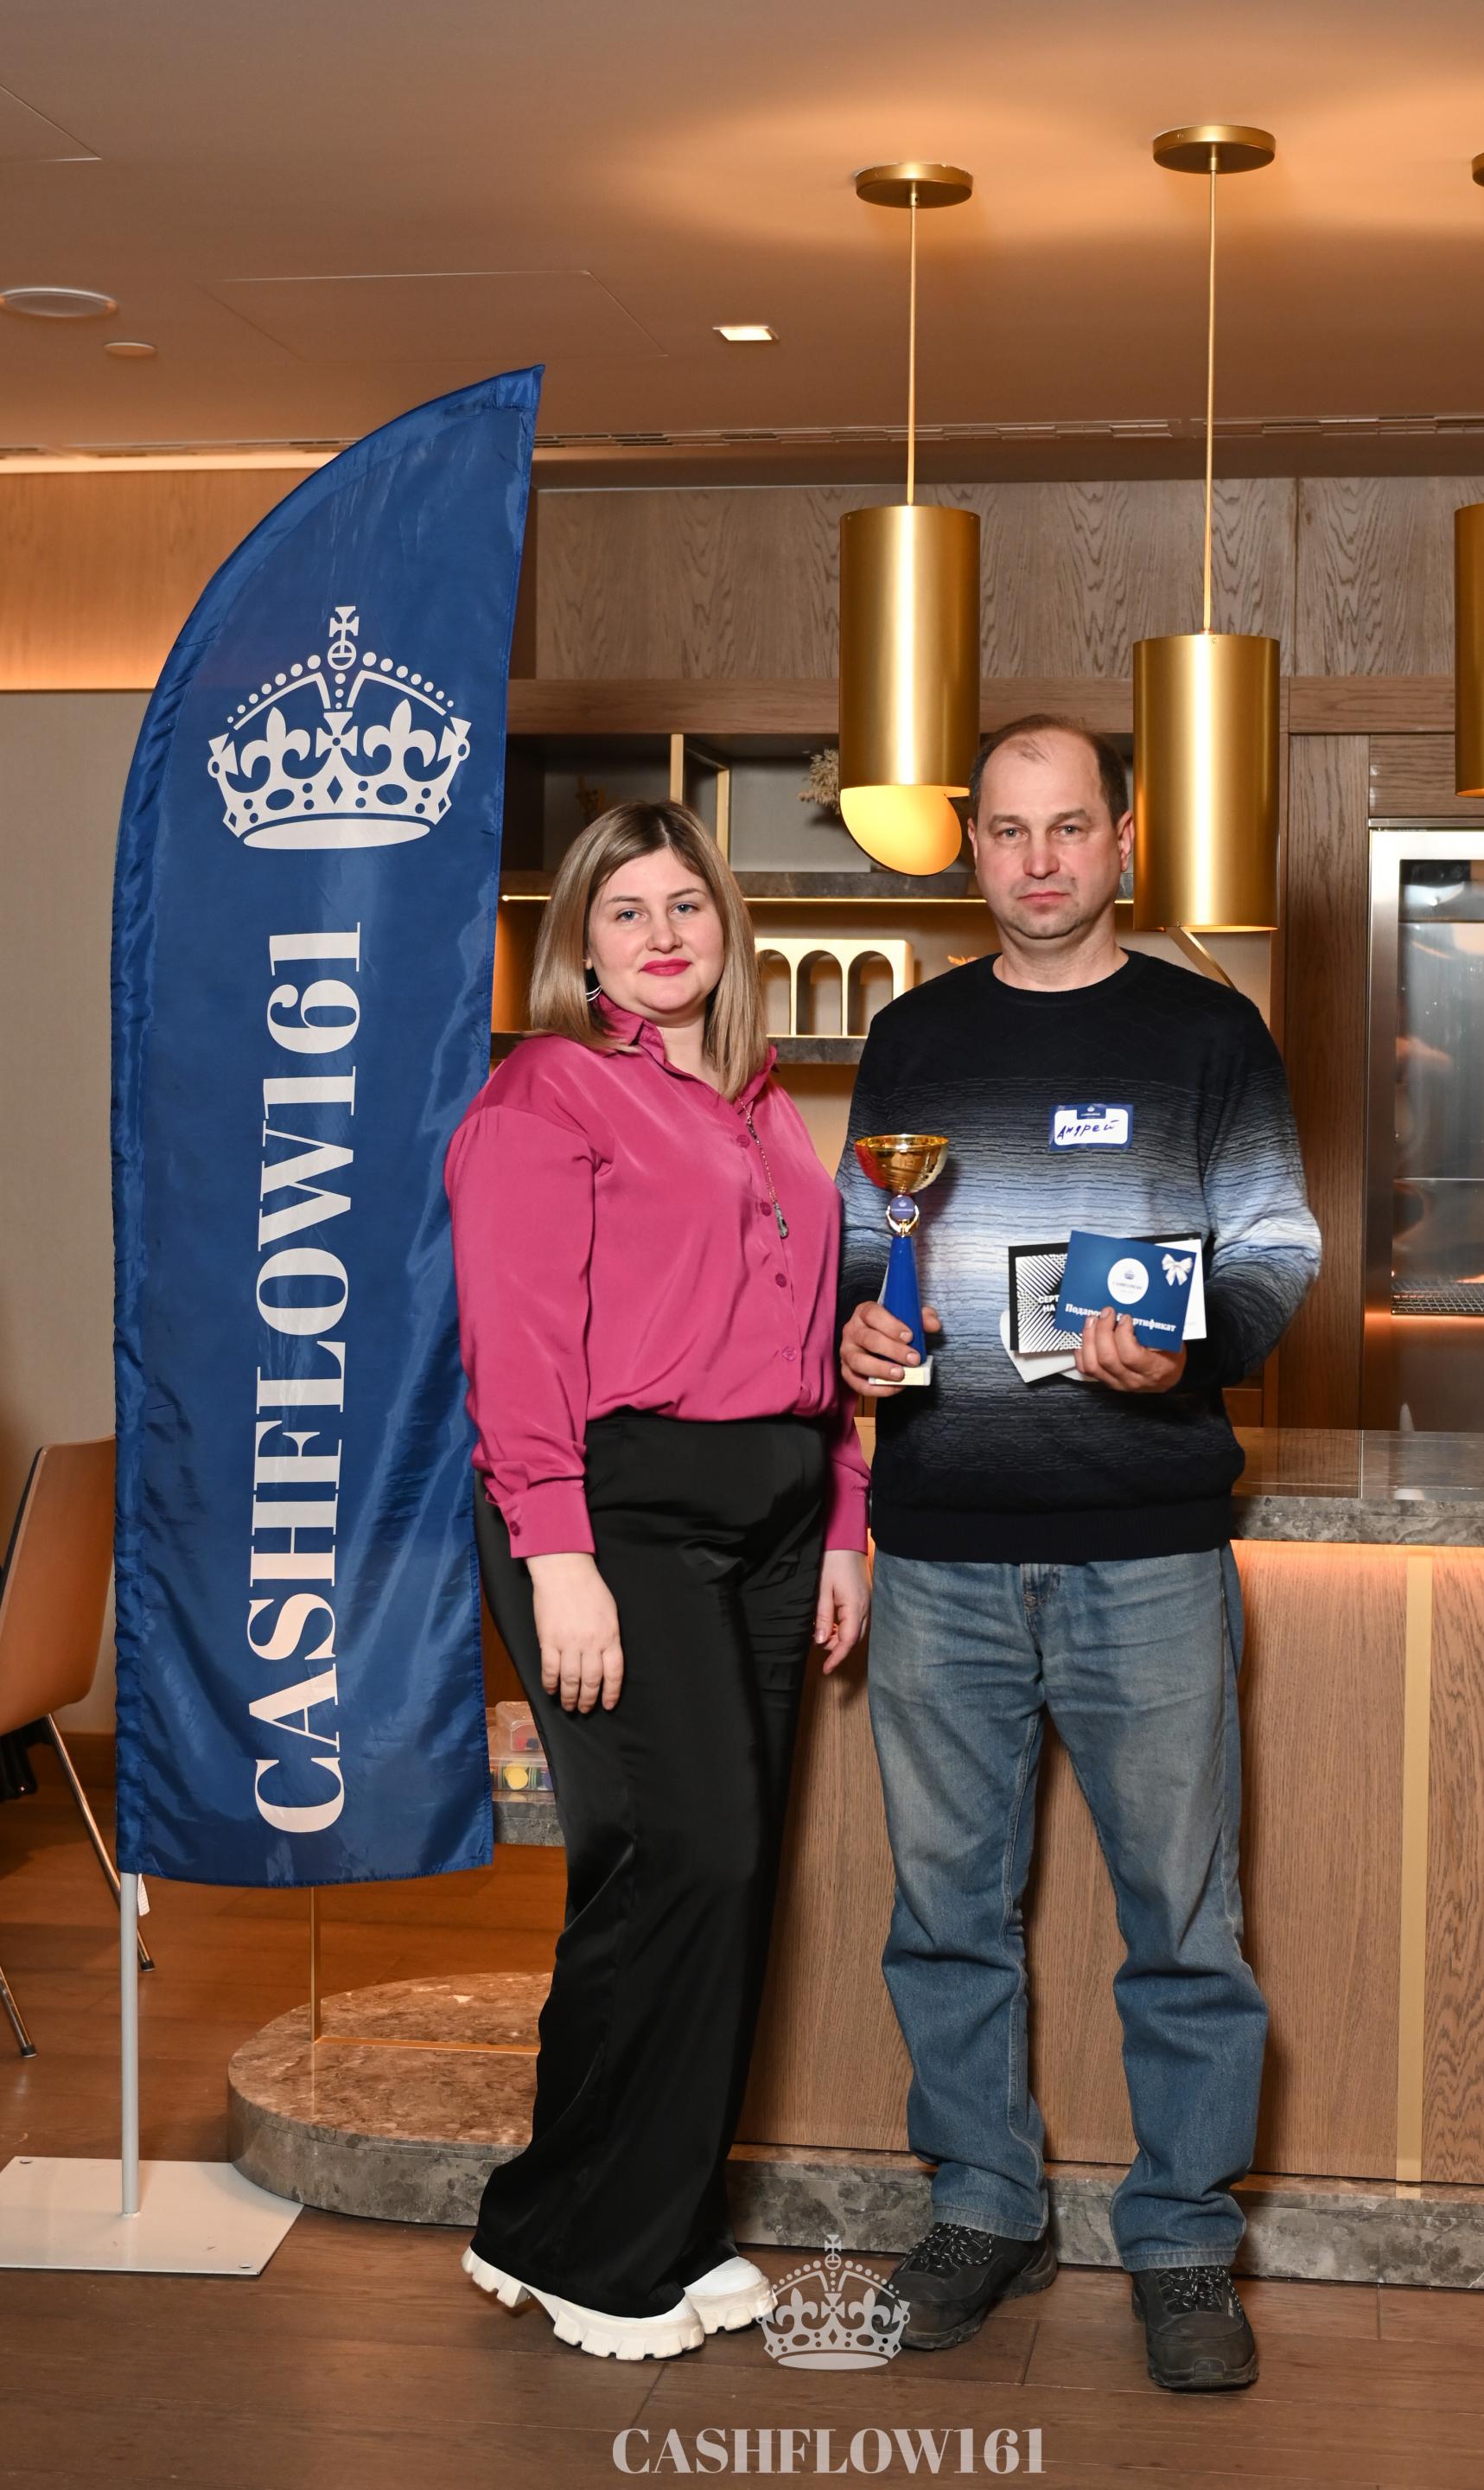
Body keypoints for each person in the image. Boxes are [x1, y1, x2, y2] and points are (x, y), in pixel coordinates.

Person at [837, 716, 1321, 2391]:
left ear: (1125, 837)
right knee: (944, 1916)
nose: (1038, 862)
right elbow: (866, 1253)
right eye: (1007, 831)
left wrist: (1193, 1350)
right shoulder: (910, 1039)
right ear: (972, 844)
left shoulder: (1210, 1034)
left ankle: (1181, 2241)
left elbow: (1275, 1250)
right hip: (941, 1551)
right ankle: (984, 2203)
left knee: (1183, 1921)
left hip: (1147, 1552)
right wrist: (858, 1339)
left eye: (1069, 829)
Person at [446, 799, 870, 2362]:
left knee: (707, 1877)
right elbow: (516, 1344)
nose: (662, 934)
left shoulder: (764, 1109)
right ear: (582, 945)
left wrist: (845, 1519)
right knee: (684, 1857)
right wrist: (557, 1555)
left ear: (726, 926)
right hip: (618, 1518)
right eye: (625, 911)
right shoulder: (545, 1092)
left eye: (686, 903)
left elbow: (812, 1343)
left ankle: (605, 2214)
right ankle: (597, 2250)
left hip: (771, 1523)